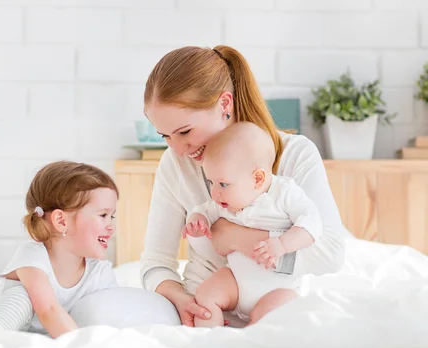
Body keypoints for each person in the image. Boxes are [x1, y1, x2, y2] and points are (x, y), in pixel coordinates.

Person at [140, 45, 345, 328]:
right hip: (202, 312)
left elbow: (330, 254)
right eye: (166, 136)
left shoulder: (294, 155)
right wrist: (181, 300)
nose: (177, 150)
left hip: (272, 310)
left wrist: (232, 236)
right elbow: (155, 262)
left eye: (185, 132)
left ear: (225, 104)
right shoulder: (176, 165)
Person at [182, 121, 323, 327]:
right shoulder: (224, 201)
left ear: (257, 179)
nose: (215, 192)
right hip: (237, 283)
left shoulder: (284, 193)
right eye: (211, 182)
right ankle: (211, 338)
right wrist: (197, 221)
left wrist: (283, 244)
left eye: (222, 183)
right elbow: (203, 210)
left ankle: (250, 338)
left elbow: (312, 223)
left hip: (277, 289)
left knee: (275, 313)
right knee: (205, 294)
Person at [0, 161, 118, 338]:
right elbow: (48, 310)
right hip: (3, 336)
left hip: (52, 341)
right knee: (22, 296)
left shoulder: (99, 273)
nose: (111, 226)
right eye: (103, 215)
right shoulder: (32, 255)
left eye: (112, 216)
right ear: (61, 221)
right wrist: (82, 347)